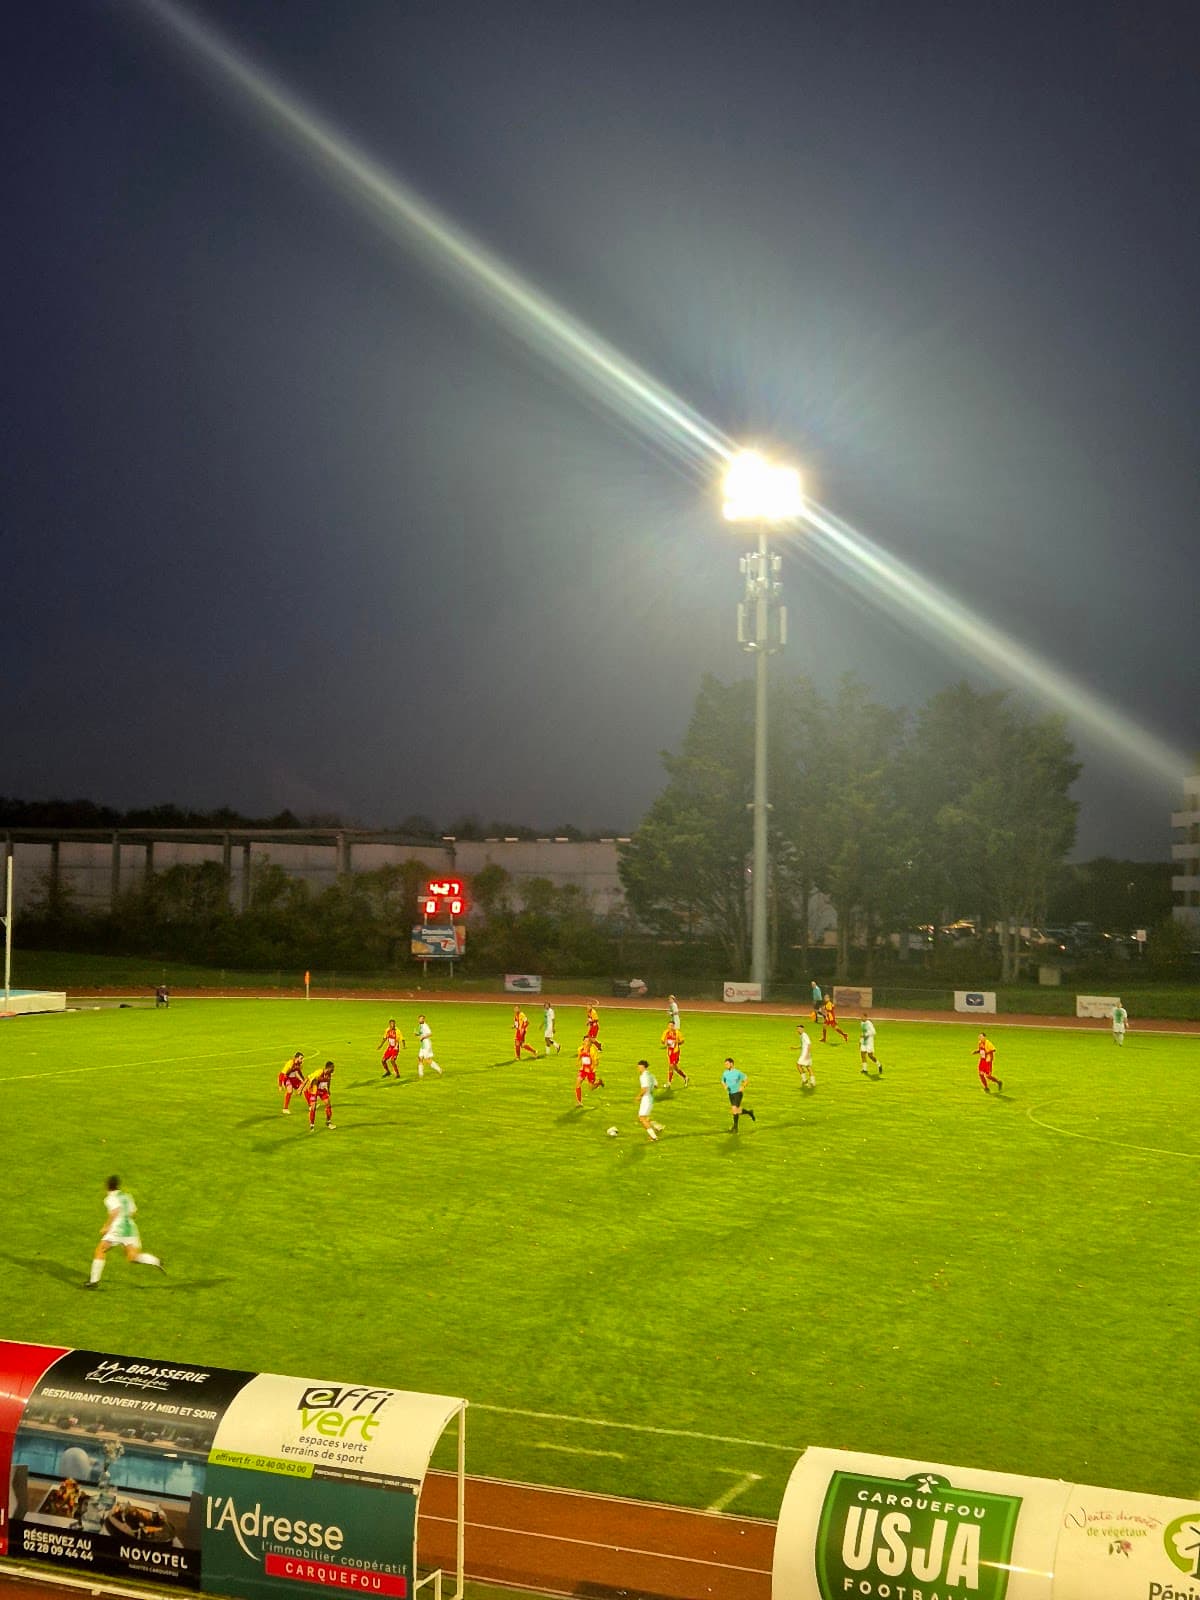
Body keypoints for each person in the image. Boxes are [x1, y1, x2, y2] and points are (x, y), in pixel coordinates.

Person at [84, 1177, 165, 1288]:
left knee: (100, 1250)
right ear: (118, 1185)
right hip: (131, 1229)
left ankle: (94, 1281)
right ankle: (156, 1261)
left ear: (107, 1186)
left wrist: (106, 1226)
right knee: (132, 1257)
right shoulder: (127, 1196)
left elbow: (115, 1211)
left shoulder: (110, 1198)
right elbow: (133, 1213)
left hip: (117, 1230)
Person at [721, 1057, 757, 1133]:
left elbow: (746, 1079)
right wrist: (725, 1085)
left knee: (734, 1109)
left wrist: (743, 1086)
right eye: (725, 1064)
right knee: (736, 1110)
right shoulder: (725, 1073)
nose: (726, 1065)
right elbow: (722, 1081)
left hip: (738, 1093)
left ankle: (735, 1128)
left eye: (727, 1064)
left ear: (731, 1064)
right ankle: (749, 1112)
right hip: (730, 1094)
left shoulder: (738, 1072)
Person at [303, 1060, 336, 1129]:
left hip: (322, 1090)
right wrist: (302, 1088)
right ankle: (312, 1125)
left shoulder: (329, 1074)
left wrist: (328, 1090)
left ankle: (328, 1122)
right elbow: (308, 1077)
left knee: (328, 1104)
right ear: (328, 1068)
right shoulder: (319, 1072)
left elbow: (328, 1082)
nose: (333, 1069)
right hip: (315, 1089)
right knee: (313, 1107)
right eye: (332, 1068)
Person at [636, 1058, 664, 1141]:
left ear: (643, 1067)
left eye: (639, 1067)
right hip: (650, 1097)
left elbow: (644, 1088)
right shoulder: (651, 1075)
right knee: (645, 1117)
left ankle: (653, 1137)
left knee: (642, 1118)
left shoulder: (643, 1076)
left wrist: (639, 1096)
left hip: (646, 1098)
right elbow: (656, 1085)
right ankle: (657, 1127)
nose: (638, 1069)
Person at [575, 1038, 606, 1104]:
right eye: (584, 1041)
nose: (585, 1042)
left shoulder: (592, 1051)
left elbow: (596, 1062)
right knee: (578, 1083)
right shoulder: (580, 1049)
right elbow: (579, 1056)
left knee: (591, 1088)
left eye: (587, 1041)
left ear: (590, 1043)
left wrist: (592, 1067)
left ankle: (599, 1082)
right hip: (583, 1070)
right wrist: (578, 1062)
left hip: (591, 1071)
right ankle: (579, 1102)